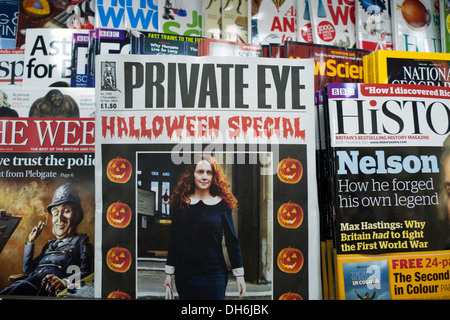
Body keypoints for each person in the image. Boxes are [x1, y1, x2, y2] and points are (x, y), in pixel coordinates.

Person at [163, 154, 246, 299]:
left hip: (215, 274)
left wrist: (239, 276)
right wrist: (169, 273)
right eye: (200, 172)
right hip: (186, 274)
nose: (204, 176)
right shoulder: (180, 204)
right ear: (192, 175)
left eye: (209, 172)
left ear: (214, 176)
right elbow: (174, 239)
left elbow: (232, 241)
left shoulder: (223, 204)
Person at [0, 183, 91, 296]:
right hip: (29, 285)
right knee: (17, 288)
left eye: (66, 211)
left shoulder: (80, 241)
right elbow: (27, 269)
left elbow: (85, 273)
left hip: (46, 292)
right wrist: (30, 242)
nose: (59, 218)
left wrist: (65, 282)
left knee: (18, 288)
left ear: (77, 215)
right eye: (56, 213)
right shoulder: (50, 245)